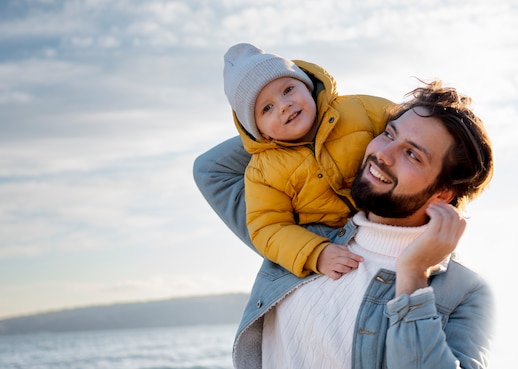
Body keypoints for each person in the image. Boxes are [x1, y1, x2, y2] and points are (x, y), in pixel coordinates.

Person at [193, 79, 495, 368]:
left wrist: (413, 276)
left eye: (412, 154)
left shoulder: (465, 292)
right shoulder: (298, 236)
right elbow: (211, 170)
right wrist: (313, 119)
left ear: (442, 194)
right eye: (388, 134)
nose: (383, 154)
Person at [221, 43, 393, 278]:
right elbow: (268, 227)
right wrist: (315, 253)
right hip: (335, 241)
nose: (284, 105)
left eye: (288, 89)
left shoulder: (360, 109)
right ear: (260, 131)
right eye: (267, 108)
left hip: (391, 213)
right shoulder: (263, 172)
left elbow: (413, 127)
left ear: (307, 85)